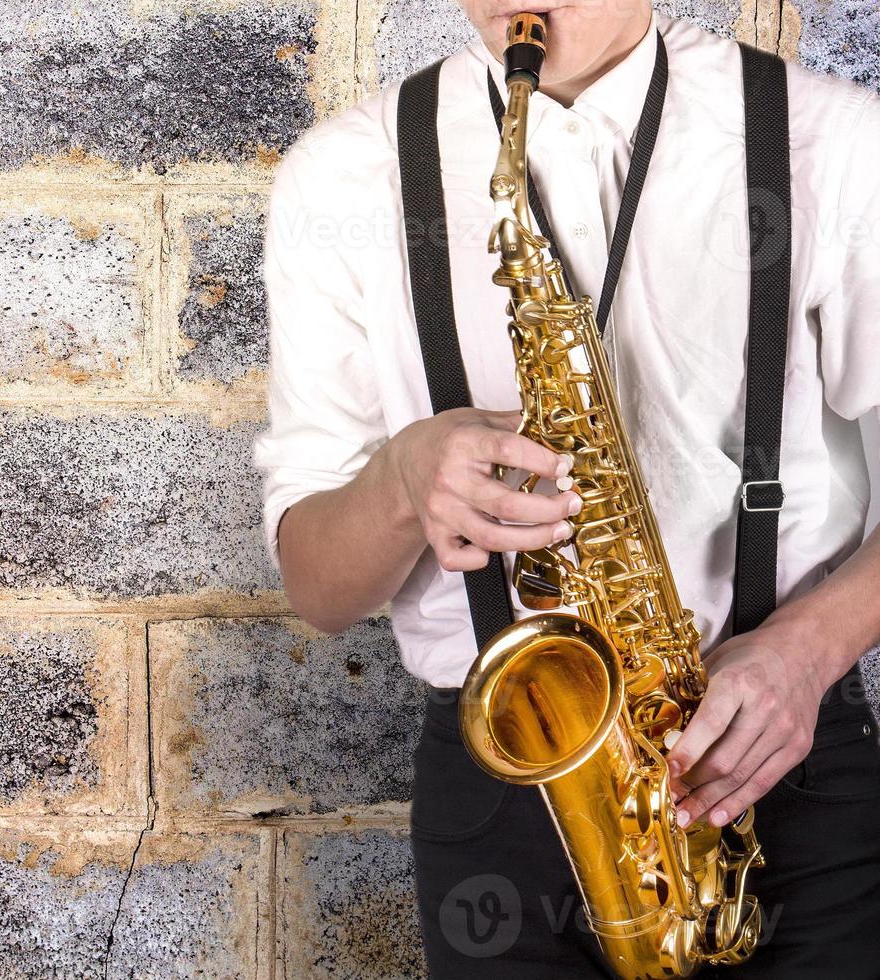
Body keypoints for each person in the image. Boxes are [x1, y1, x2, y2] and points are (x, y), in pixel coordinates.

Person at [252, 0, 880, 975]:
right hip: (507, 772)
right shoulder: (342, 172)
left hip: (776, 747)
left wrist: (804, 652)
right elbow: (316, 589)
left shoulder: (831, 141)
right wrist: (400, 479)